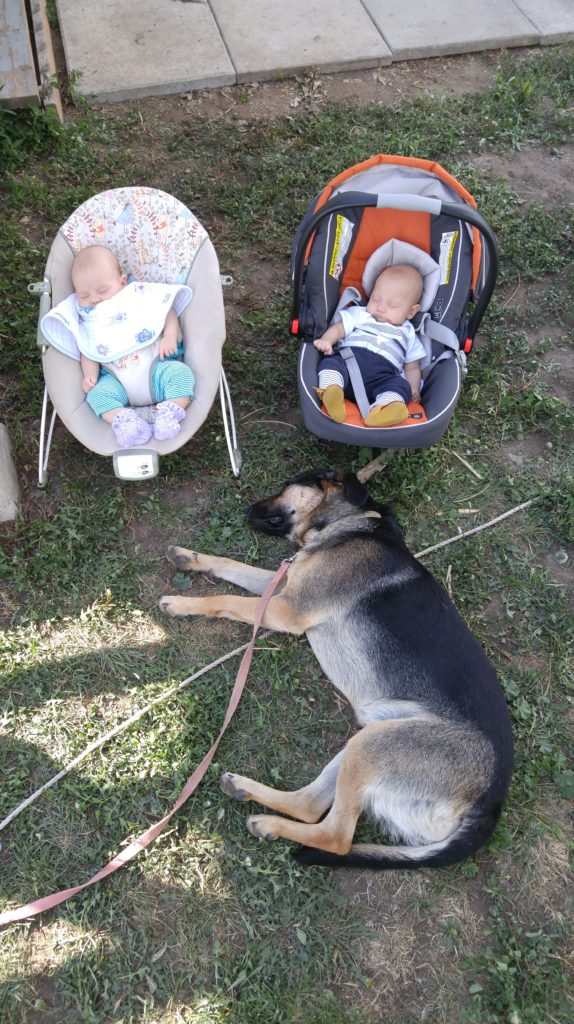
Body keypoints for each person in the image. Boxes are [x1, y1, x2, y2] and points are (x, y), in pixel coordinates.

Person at [42, 245, 195, 447]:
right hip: (117, 381)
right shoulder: (85, 319)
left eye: (102, 290)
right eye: (84, 295)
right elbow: (87, 349)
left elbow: (166, 310)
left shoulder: (137, 296)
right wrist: (90, 374)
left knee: (181, 374)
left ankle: (169, 413)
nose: (94, 299)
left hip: (156, 369)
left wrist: (170, 335)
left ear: (122, 282)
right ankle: (124, 421)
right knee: (96, 396)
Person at [313, 263, 425, 427]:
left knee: (401, 386)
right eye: (375, 298)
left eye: (392, 305)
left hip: (382, 378)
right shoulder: (361, 315)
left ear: (411, 312)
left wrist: (414, 388)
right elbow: (339, 329)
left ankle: (384, 409)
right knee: (331, 363)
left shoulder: (409, 335)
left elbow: (412, 367)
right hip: (349, 362)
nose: (380, 307)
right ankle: (332, 392)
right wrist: (327, 341)